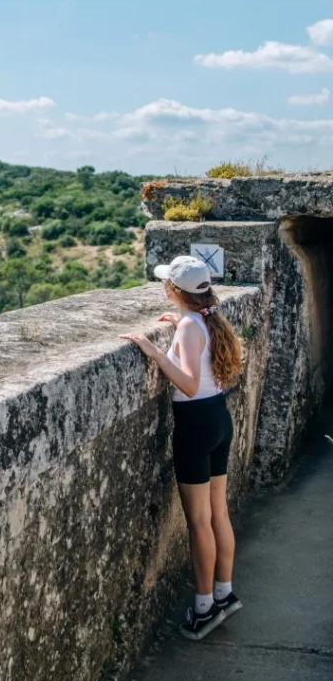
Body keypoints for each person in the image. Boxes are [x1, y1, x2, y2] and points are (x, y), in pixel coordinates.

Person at [120, 254, 244, 641]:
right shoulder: (207, 319)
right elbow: (199, 355)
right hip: (219, 418)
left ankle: (204, 607)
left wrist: (155, 352)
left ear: (174, 290)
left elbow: (188, 385)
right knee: (218, 514)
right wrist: (179, 328)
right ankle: (225, 593)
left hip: (195, 425)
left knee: (198, 522)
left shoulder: (192, 325)